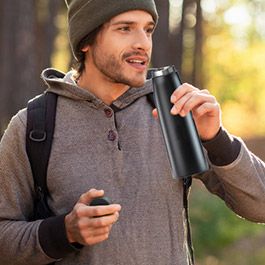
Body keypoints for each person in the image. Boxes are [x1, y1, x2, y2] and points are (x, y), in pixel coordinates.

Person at [0, 0, 265, 264]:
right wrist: (64, 232)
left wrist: (216, 138)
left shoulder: (174, 112)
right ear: (85, 41)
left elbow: (260, 205)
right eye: (125, 28)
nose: (144, 43)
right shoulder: (33, 126)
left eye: (148, 29)